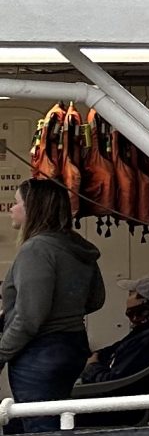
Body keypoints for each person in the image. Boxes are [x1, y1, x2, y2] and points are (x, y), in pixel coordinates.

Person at [0, 177, 104, 420]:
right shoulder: (77, 247)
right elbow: (96, 299)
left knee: (40, 432)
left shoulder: (36, 249)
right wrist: (64, 311)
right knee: (58, 422)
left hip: (40, 353)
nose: (11, 208)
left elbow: (28, 318)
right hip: (73, 346)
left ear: (34, 208)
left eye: (16, 203)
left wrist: (1, 354)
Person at [82, 275, 149, 387]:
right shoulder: (147, 332)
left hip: (107, 399)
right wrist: (94, 357)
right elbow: (110, 352)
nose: (128, 298)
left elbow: (113, 383)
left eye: (132, 293)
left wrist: (92, 366)